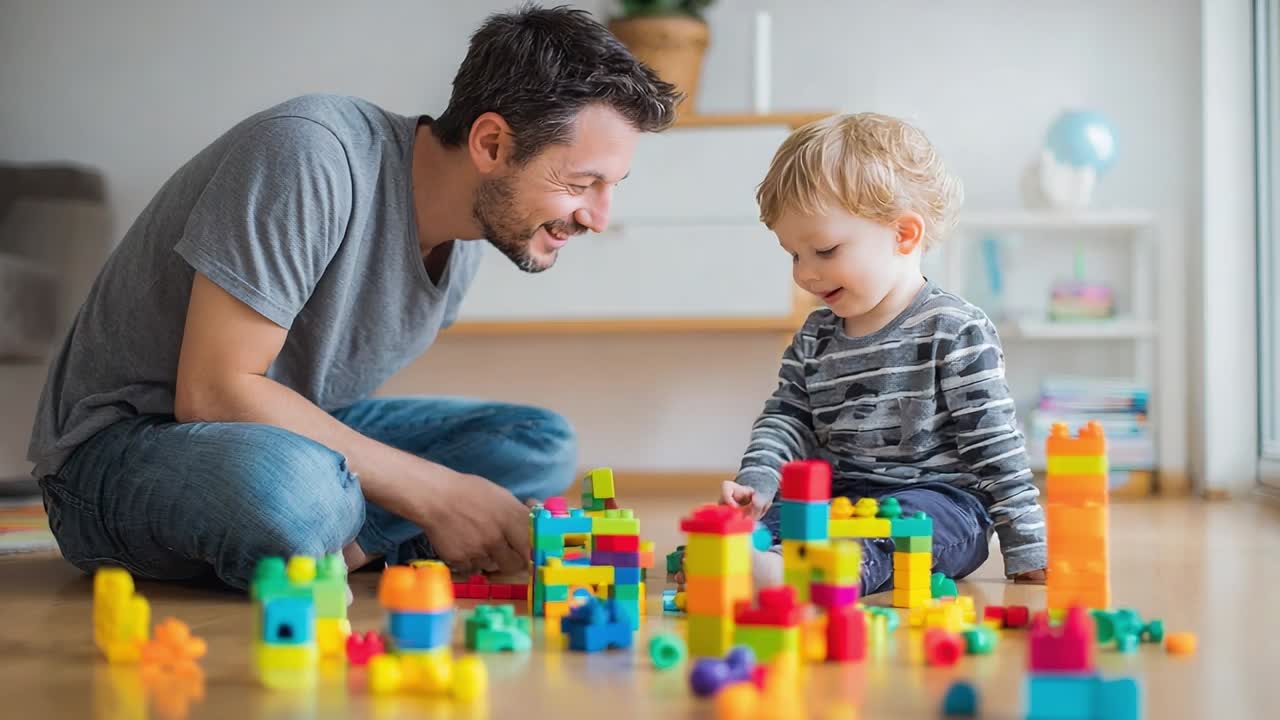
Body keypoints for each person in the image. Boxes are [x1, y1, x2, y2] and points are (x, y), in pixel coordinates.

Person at [28, 5, 680, 590]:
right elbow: (214, 392)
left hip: (277, 444)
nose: (598, 216)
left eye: (612, 185)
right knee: (301, 492)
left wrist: (436, 493)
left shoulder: (470, 242)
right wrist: (439, 496)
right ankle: (330, 536)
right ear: (490, 144)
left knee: (538, 445)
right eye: (583, 182)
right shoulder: (311, 153)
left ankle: (335, 549)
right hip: (123, 453)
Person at [715, 112, 1047, 592]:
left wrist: (1026, 545)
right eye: (794, 255)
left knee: (915, 526)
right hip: (837, 502)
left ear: (903, 235)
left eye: (825, 251)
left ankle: (823, 570)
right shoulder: (815, 335)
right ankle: (772, 563)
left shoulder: (954, 330)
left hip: (939, 501)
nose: (805, 274)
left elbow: (996, 448)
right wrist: (759, 481)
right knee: (757, 527)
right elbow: (787, 418)